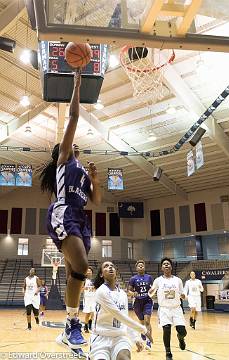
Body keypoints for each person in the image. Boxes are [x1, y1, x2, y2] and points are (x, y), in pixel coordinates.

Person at [39, 70, 101, 354]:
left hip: (81, 219)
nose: (74, 143)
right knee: (82, 267)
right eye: (68, 142)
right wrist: (76, 87)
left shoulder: (82, 173)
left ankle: (67, 330)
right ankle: (73, 323)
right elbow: (74, 118)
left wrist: (95, 180)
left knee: (75, 275)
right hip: (63, 213)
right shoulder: (65, 159)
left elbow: (96, 200)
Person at [89, 261, 153, 360]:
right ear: (101, 274)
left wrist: (135, 339)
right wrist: (143, 330)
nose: (110, 267)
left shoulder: (122, 294)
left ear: (116, 272)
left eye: (112, 266)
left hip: (119, 337)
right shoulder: (101, 292)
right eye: (106, 266)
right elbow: (119, 315)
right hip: (101, 337)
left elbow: (125, 318)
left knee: (125, 357)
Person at [148, 257, 187, 360]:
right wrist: (151, 292)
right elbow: (151, 292)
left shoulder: (177, 280)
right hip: (164, 309)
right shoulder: (158, 280)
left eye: (168, 264)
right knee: (166, 329)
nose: (166, 265)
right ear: (161, 268)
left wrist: (183, 296)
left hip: (176, 308)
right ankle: (168, 353)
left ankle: (181, 338)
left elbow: (183, 293)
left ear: (171, 266)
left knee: (183, 331)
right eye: (164, 264)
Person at [128, 259, 153, 351]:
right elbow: (129, 291)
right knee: (142, 322)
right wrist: (132, 293)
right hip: (137, 303)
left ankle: (149, 342)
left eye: (142, 265)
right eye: (139, 265)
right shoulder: (133, 279)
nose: (141, 266)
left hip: (147, 301)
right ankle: (143, 332)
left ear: (144, 267)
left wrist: (152, 292)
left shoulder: (149, 277)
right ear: (136, 268)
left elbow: (153, 288)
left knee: (147, 321)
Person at [82, 267, 95, 333]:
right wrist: (85, 288)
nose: (89, 272)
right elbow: (81, 289)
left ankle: (90, 322)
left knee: (93, 313)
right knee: (87, 313)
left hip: (94, 298)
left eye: (90, 271)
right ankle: (86, 326)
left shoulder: (94, 280)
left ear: (92, 272)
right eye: (87, 271)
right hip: (87, 298)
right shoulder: (84, 280)